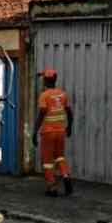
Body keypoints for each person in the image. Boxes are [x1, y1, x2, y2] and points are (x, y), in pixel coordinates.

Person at [32, 69, 74, 197]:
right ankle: (66, 175)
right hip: (60, 131)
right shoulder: (62, 94)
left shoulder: (44, 95)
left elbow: (41, 114)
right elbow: (69, 112)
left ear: (45, 80)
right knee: (60, 157)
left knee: (47, 161)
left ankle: (52, 188)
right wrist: (69, 127)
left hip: (48, 133)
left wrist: (34, 132)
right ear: (55, 80)